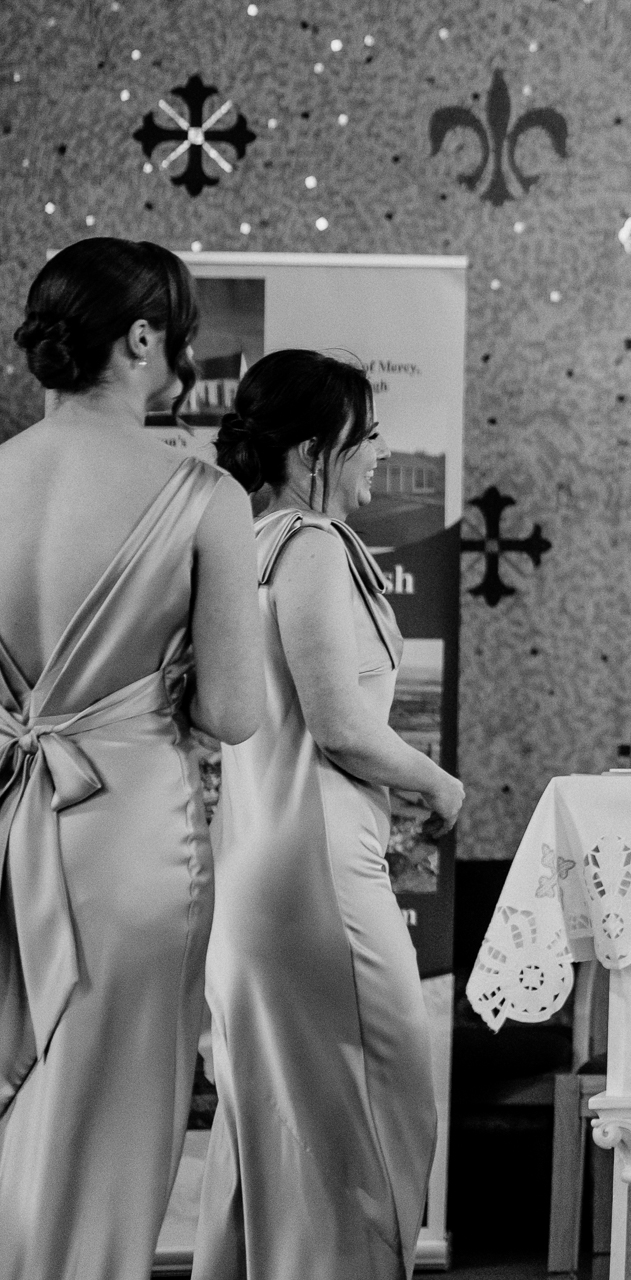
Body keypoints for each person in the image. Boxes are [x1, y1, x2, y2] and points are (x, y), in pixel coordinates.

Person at [0, 238, 264, 1279]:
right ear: (145, 338)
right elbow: (234, 710)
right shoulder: (203, 496)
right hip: (128, 835)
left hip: (5, 817)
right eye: (183, 333)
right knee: (112, 1117)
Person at [195, 350, 457, 1279]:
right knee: (373, 1114)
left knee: (274, 1126)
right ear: (315, 450)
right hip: (316, 876)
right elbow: (341, 727)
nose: (380, 451)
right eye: (367, 433)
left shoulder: (244, 542)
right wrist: (438, 782)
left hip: (257, 865)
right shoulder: (306, 546)